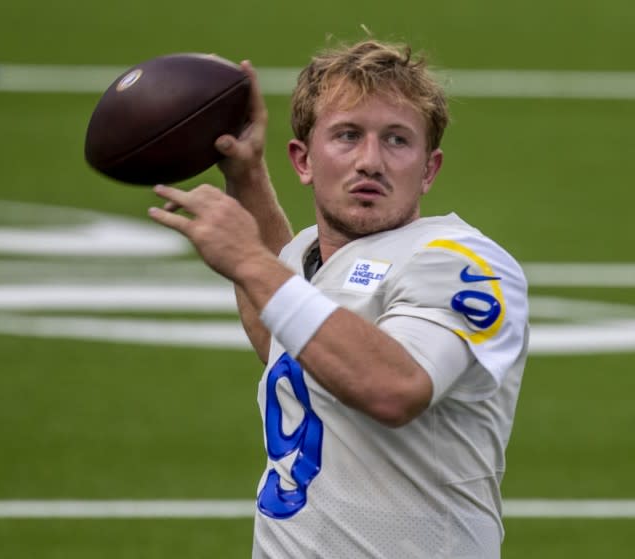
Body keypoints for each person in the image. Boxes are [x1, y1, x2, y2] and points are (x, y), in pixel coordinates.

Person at [148, 39, 529, 559]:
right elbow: (285, 337)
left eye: (397, 140)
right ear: (303, 160)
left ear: (429, 170)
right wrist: (246, 174)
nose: (370, 161)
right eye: (347, 136)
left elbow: (395, 388)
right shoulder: (308, 252)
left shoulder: (458, 262)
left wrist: (249, 261)